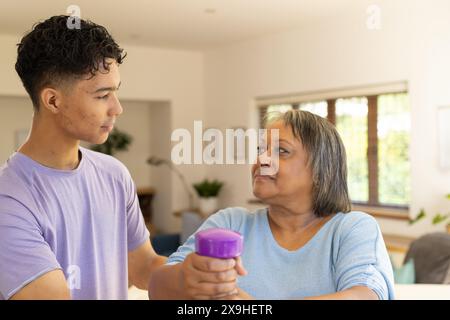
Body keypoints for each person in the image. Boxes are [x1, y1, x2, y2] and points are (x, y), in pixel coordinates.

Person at [0, 15, 166, 300]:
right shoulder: (9, 199)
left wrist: (193, 276)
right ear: (52, 100)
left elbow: (143, 266)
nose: (117, 108)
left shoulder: (114, 174)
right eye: (103, 95)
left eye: (115, 92)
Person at [149, 109, 395, 300]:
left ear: (321, 170)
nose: (262, 159)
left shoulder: (352, 229)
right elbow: (157, 288)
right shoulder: (230, 222)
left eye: (282, 151)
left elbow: (365, 295)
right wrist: (185, 276)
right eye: (261, 149)